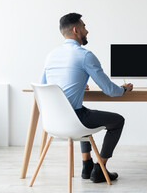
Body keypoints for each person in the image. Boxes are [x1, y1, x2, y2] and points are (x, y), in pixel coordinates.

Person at [41, 12, 133, 183]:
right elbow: (110, 90)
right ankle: (100, 168)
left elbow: (45, 87)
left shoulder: (51, 56)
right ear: (76, 30)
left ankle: (86, 165)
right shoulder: (84, 55)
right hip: (75, 120)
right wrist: (123, 89)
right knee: (117, 121)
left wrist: (78, 85)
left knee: (82, 111)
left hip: (52, 122)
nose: (87, 31)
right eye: (84, 26)